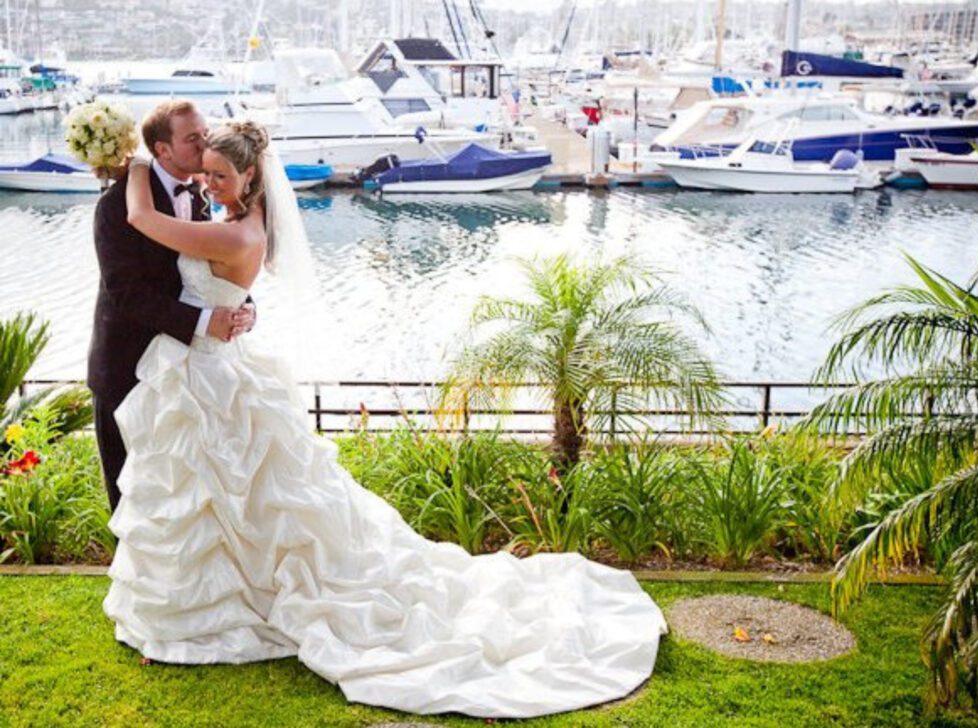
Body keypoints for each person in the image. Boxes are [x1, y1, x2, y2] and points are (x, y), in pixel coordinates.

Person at [103, 120, 667, 719]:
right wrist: (236, 306)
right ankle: (229, 597)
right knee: (226, 495)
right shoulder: (242, 223)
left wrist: (136, 165)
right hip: (212, 367)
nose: (209, 182)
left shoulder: (238, 233)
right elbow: (218, 288)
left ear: (251, 176)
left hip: (212, 376)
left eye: (221, 174)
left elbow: (142, 221)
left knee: (240, 492)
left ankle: (239, 601)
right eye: (208, 172)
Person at [87, 99, 254, 513]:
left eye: (205, 132)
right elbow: (125, 291)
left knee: (180, 490)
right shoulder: (117, 205)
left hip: (182, 370)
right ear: (162, 150)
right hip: (126, 365)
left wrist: (243, 305)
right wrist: (204, 322)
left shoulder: (205, 193)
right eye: (193, 138)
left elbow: (212, 267)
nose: (205, 143)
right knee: (129, 492)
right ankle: (129, 576)